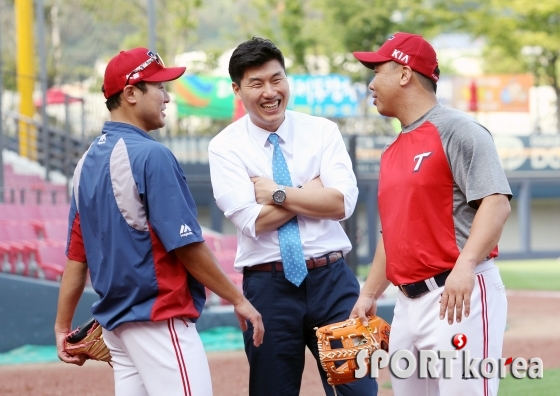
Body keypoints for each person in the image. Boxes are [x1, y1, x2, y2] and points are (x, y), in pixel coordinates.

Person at [54, 47, 264, 396]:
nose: (167, 97)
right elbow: (186, 246)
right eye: (159, 87)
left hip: (117, 330)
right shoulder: (151, 155)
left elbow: (77, 257)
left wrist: (62, 327)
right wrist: (237, 299)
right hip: (158, 321)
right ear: (131, 93)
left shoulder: (85, 163)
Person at [208, 37, 378, 396]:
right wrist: (310, 190)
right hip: (268, 289)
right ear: (237, 90)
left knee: (358, 391)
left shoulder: (322, 131)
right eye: (256, 84)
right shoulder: (224, 147)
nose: (270, 92)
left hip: (333, 284)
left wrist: (278, 192)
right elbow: (251, 222)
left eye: (276, 79)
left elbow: (341, 204)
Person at [351, 33, 512, 396]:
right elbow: (391, 235)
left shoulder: (458, 129)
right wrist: (369, 294)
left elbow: (497, 201)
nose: (371, 83)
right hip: (407, 305)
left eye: (377, 71)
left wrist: (466, 265)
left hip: (458, 295)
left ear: (405, 74)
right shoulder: (392, 151)